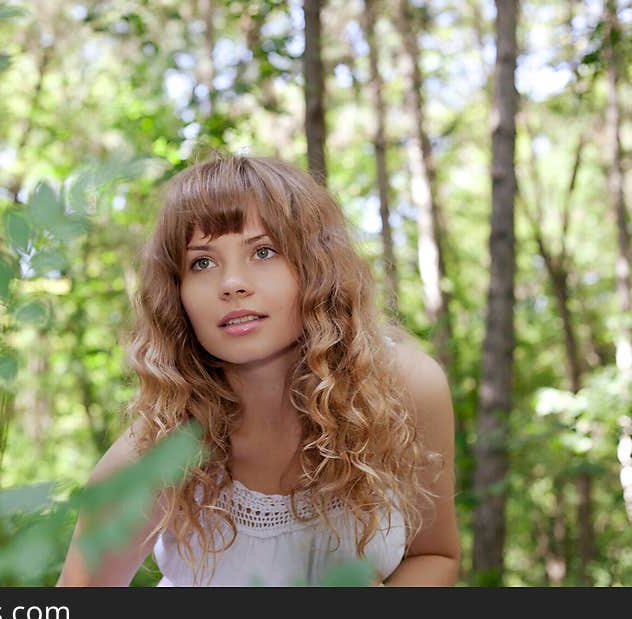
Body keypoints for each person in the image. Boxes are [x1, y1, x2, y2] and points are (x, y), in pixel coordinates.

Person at [57, 153, 460, 587]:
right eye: (203, 263)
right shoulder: (156, 451)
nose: (232, 283)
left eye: (263, 251)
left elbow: (435, 554)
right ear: (178, 296)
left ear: (315, 268)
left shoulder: (406, 388)